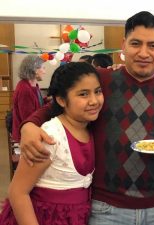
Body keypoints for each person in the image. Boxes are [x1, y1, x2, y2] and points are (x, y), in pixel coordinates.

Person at [19, 11, 154, 225]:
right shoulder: (101, 80)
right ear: (124, 45)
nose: (144, 53)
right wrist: (29, 125)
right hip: (106, 208)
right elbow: (58, 105)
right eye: (136, 43)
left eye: (153, 46)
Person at [0, 62, 104, 225]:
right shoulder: (50, 136)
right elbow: (18, 191)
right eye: (83, 94)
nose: (94, 101)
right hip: (45, 218)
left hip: (77, 215)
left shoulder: (90, 127)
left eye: (97, 91)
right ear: (61, 100)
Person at [12, 55, 47, 142]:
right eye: (43, 68)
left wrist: (49, 99)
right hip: (26, 135)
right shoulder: (25, 89)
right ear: (35, 70)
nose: (45, 72)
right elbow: (28, 119)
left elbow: (39, 102)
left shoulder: (34, 85)